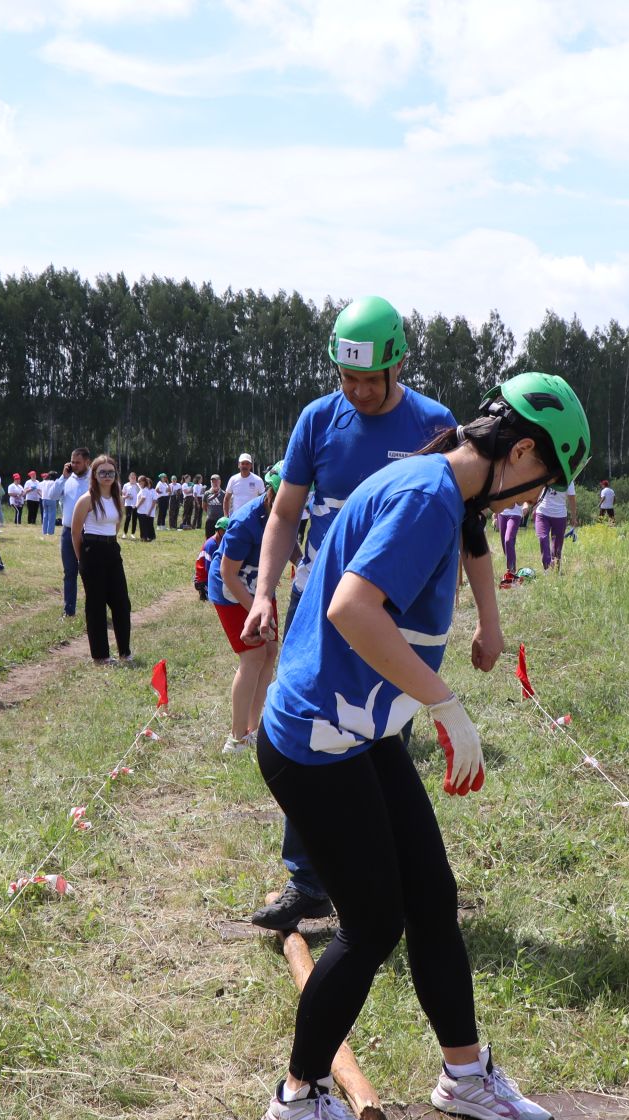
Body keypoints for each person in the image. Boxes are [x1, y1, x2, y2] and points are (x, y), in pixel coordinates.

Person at [255, 372, 591, 1120]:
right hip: (317, 742)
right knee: (371, 924)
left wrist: (481, 629)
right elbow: (351, 608)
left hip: (358, 732)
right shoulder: (427, 495)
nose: (531, 502)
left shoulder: (444, 484)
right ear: (523, 452)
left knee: (431, 898)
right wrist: (444, 703)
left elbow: (464, 546)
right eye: (540, 485)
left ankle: (465, 1078)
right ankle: (297, 1100)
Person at [241, 295, 507, 932]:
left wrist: (489, 620)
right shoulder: (316, 422)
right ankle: (308, 882)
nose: (358, 391)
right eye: (347, 377)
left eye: (370, 378)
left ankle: (377, 872)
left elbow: (471, 531)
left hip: (395, 616)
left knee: (381, 741)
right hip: (319, 605)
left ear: (399, 366)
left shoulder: (433, 423)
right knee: (309, 735)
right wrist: (264, 591)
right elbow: (283, 513)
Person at [210, 493, 278, 753]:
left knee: (270, 650)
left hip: (259, 584)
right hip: (232, 589)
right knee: (253, 655)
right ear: (272, 492)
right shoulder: (245, 522)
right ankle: (236, 738)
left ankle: (253, 730)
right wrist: (257, 611)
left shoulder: (291, 508)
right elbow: (228, 573)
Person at [68, 453, 134, 664]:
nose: (107, 476)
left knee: (122, 602)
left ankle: (125, 652)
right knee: (96, 605)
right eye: (102, 472)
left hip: (111, 549)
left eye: (110, 472)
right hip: (92, 550)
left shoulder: (117, 498)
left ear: (115, 475)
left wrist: (110, 545)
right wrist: (82, 560)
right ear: (94, 475)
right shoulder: (87, 499)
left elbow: (115, 526)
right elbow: (76, 532)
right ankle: (101, 656)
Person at [54, 448, 93, 616]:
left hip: (89, 533)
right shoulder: (67, 479)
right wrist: (63, 477)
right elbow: (51, 495)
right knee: (69, 572)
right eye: (72, 462)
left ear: (87, 462)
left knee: (91, 572)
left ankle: (94, 610)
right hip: (68, 532)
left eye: (77, 462)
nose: (73, 465)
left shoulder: (95, 479)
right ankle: (68, 611)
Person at [533, 479, 576, 569]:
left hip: (560, 516)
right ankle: (547, 566)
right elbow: (538, 491)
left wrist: (574, 517)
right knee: (542, 538)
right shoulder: (545, 475)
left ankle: (556, 570)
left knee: (557, 547)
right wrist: (534, 506)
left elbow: (572, 499)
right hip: (542, 513)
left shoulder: (568, 480)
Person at [224, 452, 265, 518]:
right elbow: (226, 499)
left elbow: (263, 500)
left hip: (253, 517)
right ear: (238, 465)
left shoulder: (258, 480)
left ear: (251, 466)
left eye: (247, 464)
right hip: (236, 517)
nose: (245, 466)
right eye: (242, 463)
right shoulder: (233, 479)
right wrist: (226, 516)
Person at [494, 499, 522, 583]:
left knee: (508, 540)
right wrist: (495, 512)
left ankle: (511, 572)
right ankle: (511, 569)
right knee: (505, 545)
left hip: (515, 514)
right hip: (502, 514)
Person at [135, 474, 158, 541]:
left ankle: (149, 537)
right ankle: (147, 537)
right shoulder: (143, 489)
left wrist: (136, 506)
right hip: (145, 510)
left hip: (148, 511)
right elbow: (138, 483)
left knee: (148, 525)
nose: (147, 484)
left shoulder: (151, 491)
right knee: (145, 525)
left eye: (148, 483)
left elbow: (153, 502)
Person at [121, 472, 139, 538]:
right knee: (128, 518)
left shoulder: (138, 485)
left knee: (134, 519)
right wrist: (126, 496)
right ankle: (124, 533)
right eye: (132, 477)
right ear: (129, 478)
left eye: (134, 478)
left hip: (136, 504)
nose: (133, 479)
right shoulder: (126, 485)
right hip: (128, 504)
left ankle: (133, 534)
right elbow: (123, 495)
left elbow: (141, 493)